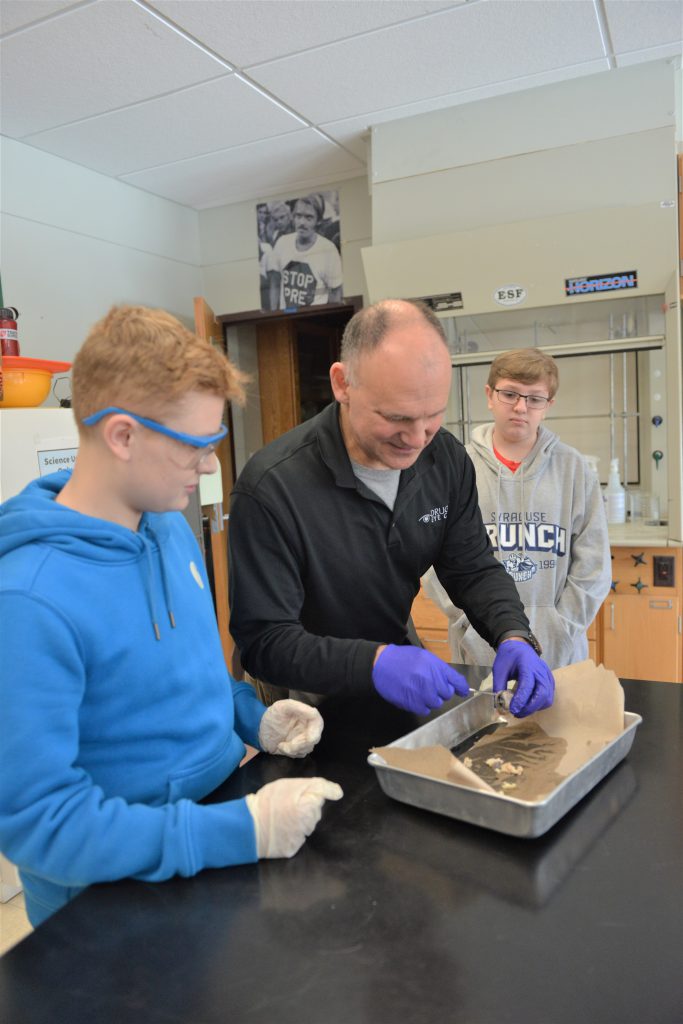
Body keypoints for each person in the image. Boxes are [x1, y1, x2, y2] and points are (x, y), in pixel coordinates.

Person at [0, 305, 342, 928]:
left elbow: (183, 674)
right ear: (123, 435)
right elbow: (40, 825)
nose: (211, 466)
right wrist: (240, 830)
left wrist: (251, 717)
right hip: (106, 901)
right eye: (196, 446)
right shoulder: (29, 599)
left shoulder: (166, 528)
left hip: (207, 836)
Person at [229, 299, 555, 721]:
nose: (417, 438)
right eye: (397, 417)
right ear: (342, 383)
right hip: (299, 692)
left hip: (393, 662)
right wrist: (373, 663)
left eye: (433, 415)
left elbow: (471, 567)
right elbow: (265, 640)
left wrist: (512, 633)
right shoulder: (272, 487)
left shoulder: (444, 460)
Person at [422, 348, 611, 669]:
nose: (521, 407)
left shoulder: (575, 469)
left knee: (558, 721)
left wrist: (561, 629)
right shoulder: (454, 466)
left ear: (548, 405)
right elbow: (431, 560)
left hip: (559, 653)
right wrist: (470, 624)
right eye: (509, 393)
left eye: (535, 398)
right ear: (489, 395)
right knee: (484, 721)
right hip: (477, 647)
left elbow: (594, 566)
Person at [267, 193, 343, 310]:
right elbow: (275, 283)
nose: (302, 222)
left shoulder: (329, 250)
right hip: (288, 317)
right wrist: (274, 314)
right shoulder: (282, 243)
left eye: (309, 218)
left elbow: (335, 292)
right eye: (298, 216)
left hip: (314, 320)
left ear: (318, 221)